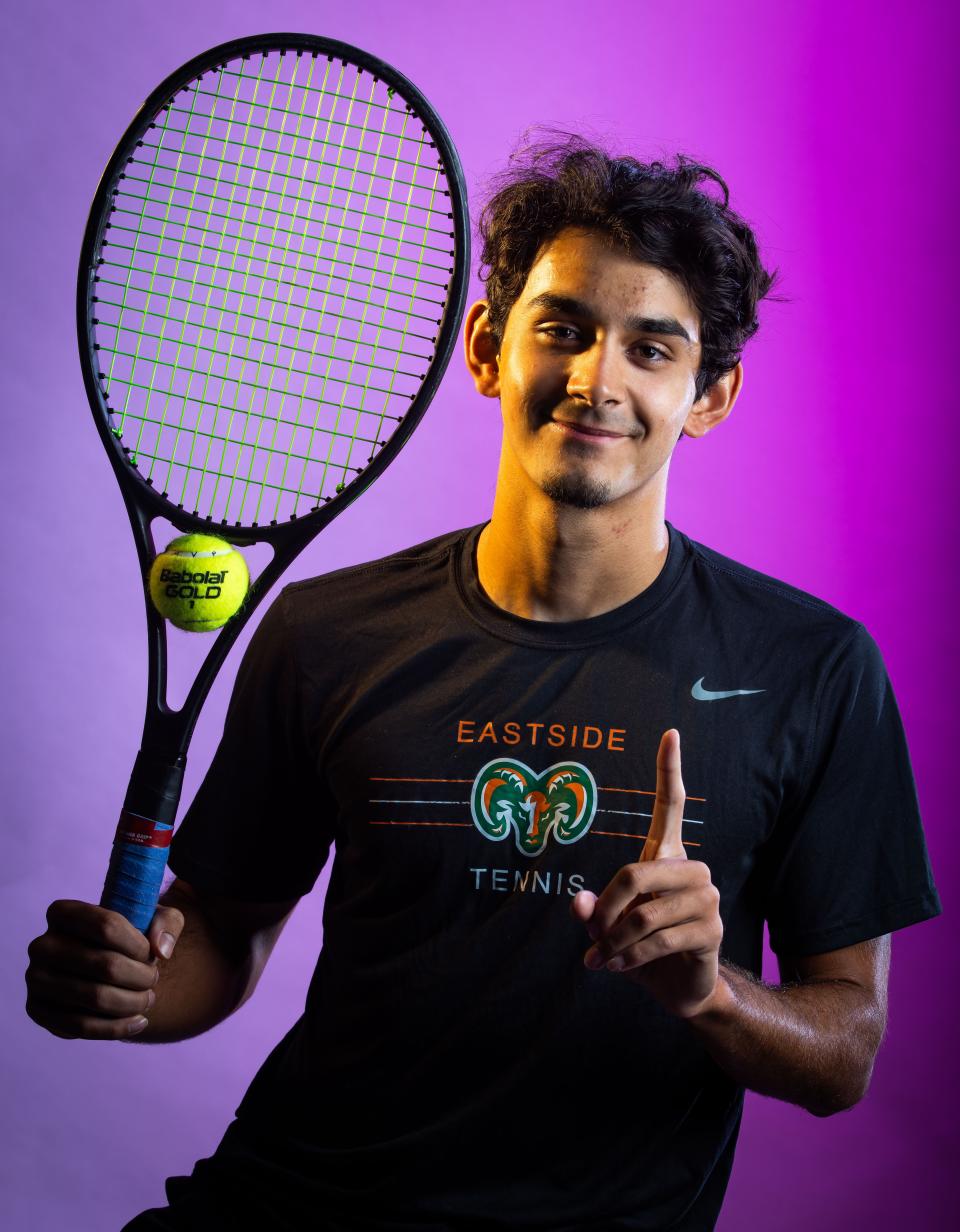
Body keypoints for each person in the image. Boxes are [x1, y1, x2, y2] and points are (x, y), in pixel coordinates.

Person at [26, 137, 942, 1231]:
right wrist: (131, 989)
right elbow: (223, 935)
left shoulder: (812, 668)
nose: (598, 379)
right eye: (563, 328)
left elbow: (843, 1053)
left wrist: (709, 989)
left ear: (712, 394)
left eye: (652, 348)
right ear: (486, 347)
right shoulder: (329, 631)